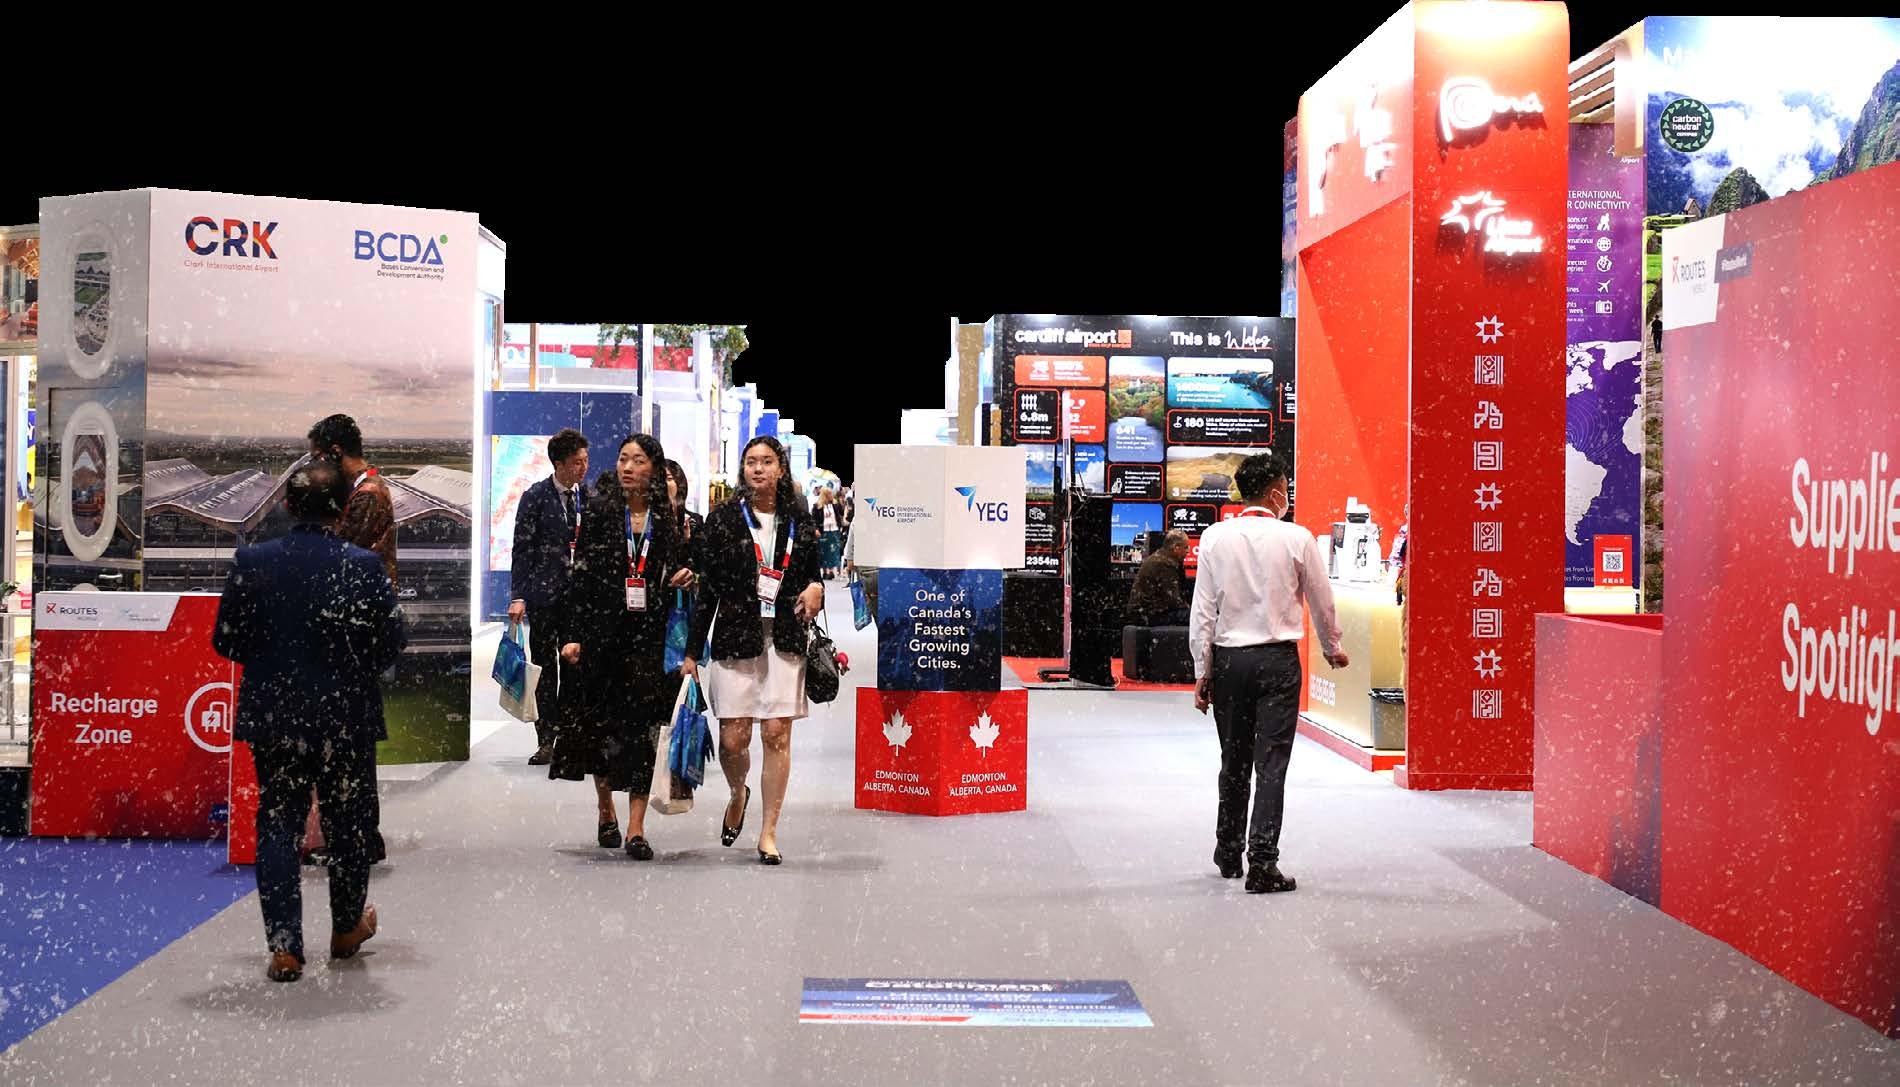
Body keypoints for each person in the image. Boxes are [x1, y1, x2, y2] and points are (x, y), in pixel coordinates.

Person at [211, 458, 406, 982]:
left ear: (288, 505)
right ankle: (346, 928)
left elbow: (225, 640)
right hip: (347, 715)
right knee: (348, 826)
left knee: (279, 823)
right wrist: (348, 669)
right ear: (343, 510)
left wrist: (275, 662)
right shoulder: (364, 566)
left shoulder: (253, 561)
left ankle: (284, 947)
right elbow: (392, 643)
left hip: (276, 714)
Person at [1188, 452, 1347, 894]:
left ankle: (1228, 851)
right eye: (1285, 487)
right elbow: (1322, 601)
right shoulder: (1297, 538)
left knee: (1234, 760)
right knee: (1271, 763)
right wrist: (1332, 647)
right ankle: (1262, 861)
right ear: (1276, 491)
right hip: (1277, 662)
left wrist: (1202, 670)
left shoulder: (1215, 537)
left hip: (1230, 660)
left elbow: (1203, 612)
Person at [681, 436, 823, 866]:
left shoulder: (799, 518)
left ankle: (768, 832)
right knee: (732, 739)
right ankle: (737, 792)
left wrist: (815, 588)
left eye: (766, 461)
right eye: (751, 462)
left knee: (776, 733)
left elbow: (812, 574)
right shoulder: (723, 519)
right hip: (736, 635)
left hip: (784, 637)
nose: (758, 469)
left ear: (781, 468)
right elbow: (708, 590)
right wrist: (692, 651)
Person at [552, 435, 694, 860]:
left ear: (654, 469)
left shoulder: (665, 517)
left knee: (643, 730)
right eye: (622, 459)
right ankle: (605, 809)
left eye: (638, 460)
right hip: (603, 633)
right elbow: (581, 576)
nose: (627, 467)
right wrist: (573, 634)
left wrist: (686, 574)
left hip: (649, 638)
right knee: (602, 726)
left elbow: (678, 567)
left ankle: (636, 827)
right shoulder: (599, 511)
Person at [304, 413, 396, 866]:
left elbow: (337, 556)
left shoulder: (368, 496)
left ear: (336, 452)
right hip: (352, 634)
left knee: (351, 748)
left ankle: (358, 838)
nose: (315, 467)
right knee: (349, 746)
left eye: (319, 457)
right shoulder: (364, 491)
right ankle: (355, 836)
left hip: (354, 637)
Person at [508, 428, 591, 765]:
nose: (583, 468)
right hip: (544, 597)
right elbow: (522, 549)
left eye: (585, 461)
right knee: (544, 667)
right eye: (577, 462)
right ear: (559, 463)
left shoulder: (590, 498)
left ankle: (569, 737)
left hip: (579, 599)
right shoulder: (535, 497)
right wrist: (518, 595)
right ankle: (546, 738)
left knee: (574, 667)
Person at [1127, 529, 1193, 626]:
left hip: (1147, 612)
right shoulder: (1165, 564)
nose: (1188, 551)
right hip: (1146, 616)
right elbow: (1173, 601)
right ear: (1176, 548)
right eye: (1186, 547)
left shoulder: (1161, 558)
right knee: (1197, 616)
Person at [813, 487, 845, 580]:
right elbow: (814, 519)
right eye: (829, 494)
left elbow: (841, 513)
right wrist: (816, 529)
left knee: (833, 551)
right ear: (825, 495)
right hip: (823, 531)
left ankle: (831, 571)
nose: (831, 495)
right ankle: (825, 571)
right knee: (823, 551)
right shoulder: (817, 506)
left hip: (834, 530)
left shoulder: (835, 505)